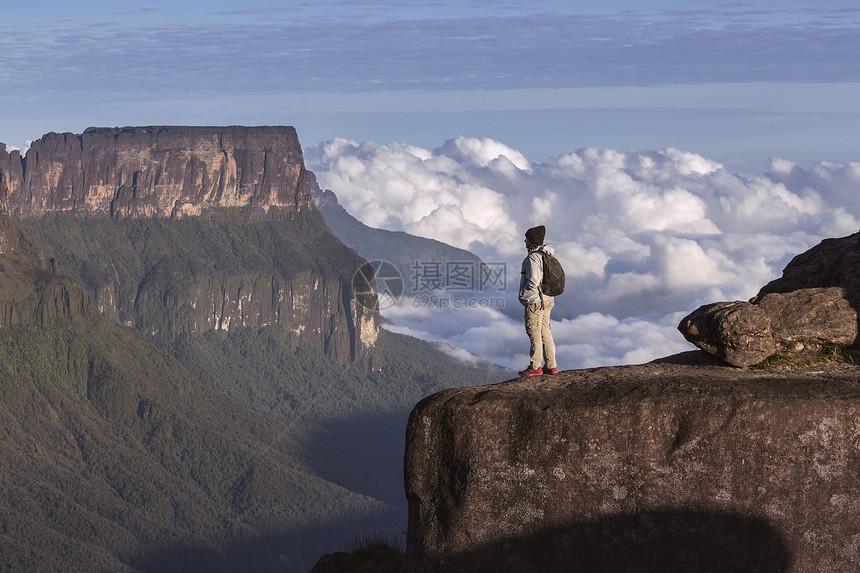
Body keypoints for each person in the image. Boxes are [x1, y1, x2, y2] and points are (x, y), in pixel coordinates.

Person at [518, 225, 558, 377]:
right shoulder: (547, 255)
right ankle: (551, 366)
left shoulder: (533, 257)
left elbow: (534, 280)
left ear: (532, 240)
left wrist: (525, 294)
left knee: (534, 333)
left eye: (526, 239)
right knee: (545, 332)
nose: (525, 241)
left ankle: (535, 366)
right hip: (547, 299)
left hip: (535, 301)